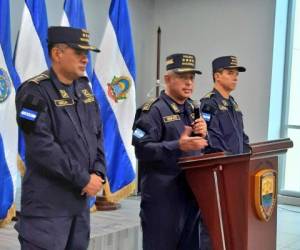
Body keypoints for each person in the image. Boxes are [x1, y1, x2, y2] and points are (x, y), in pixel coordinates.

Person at [14, 26, 106, 250]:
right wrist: (84, 179)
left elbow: (97, 135)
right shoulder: (34, 92)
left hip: (79, 209)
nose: (85, 59)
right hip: (47, 211)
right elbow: (42, 148)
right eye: (79, 52)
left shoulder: (84, 89)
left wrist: (98, 172)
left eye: (87, 53)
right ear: (57, 53)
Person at [132, 53, 212, 250]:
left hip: (191, 194)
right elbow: (142, 150)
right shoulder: (152, 110)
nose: (189, 83)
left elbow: (197, 149)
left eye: (192, 78)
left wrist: (204, 135)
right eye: (182, 77)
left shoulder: (192, 107)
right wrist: (178, 145)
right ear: (168, 79)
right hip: (163, 200)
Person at [200, 55, 250, 154]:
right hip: (223, 164)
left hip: (238, 162)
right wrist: (230, 158)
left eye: (236, 74)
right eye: (230, 73)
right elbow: (213, 139)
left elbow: (241, 134)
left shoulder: (232, 103)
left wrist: (247, 152)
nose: (235, 78)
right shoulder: (209, 104)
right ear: (217, 76)